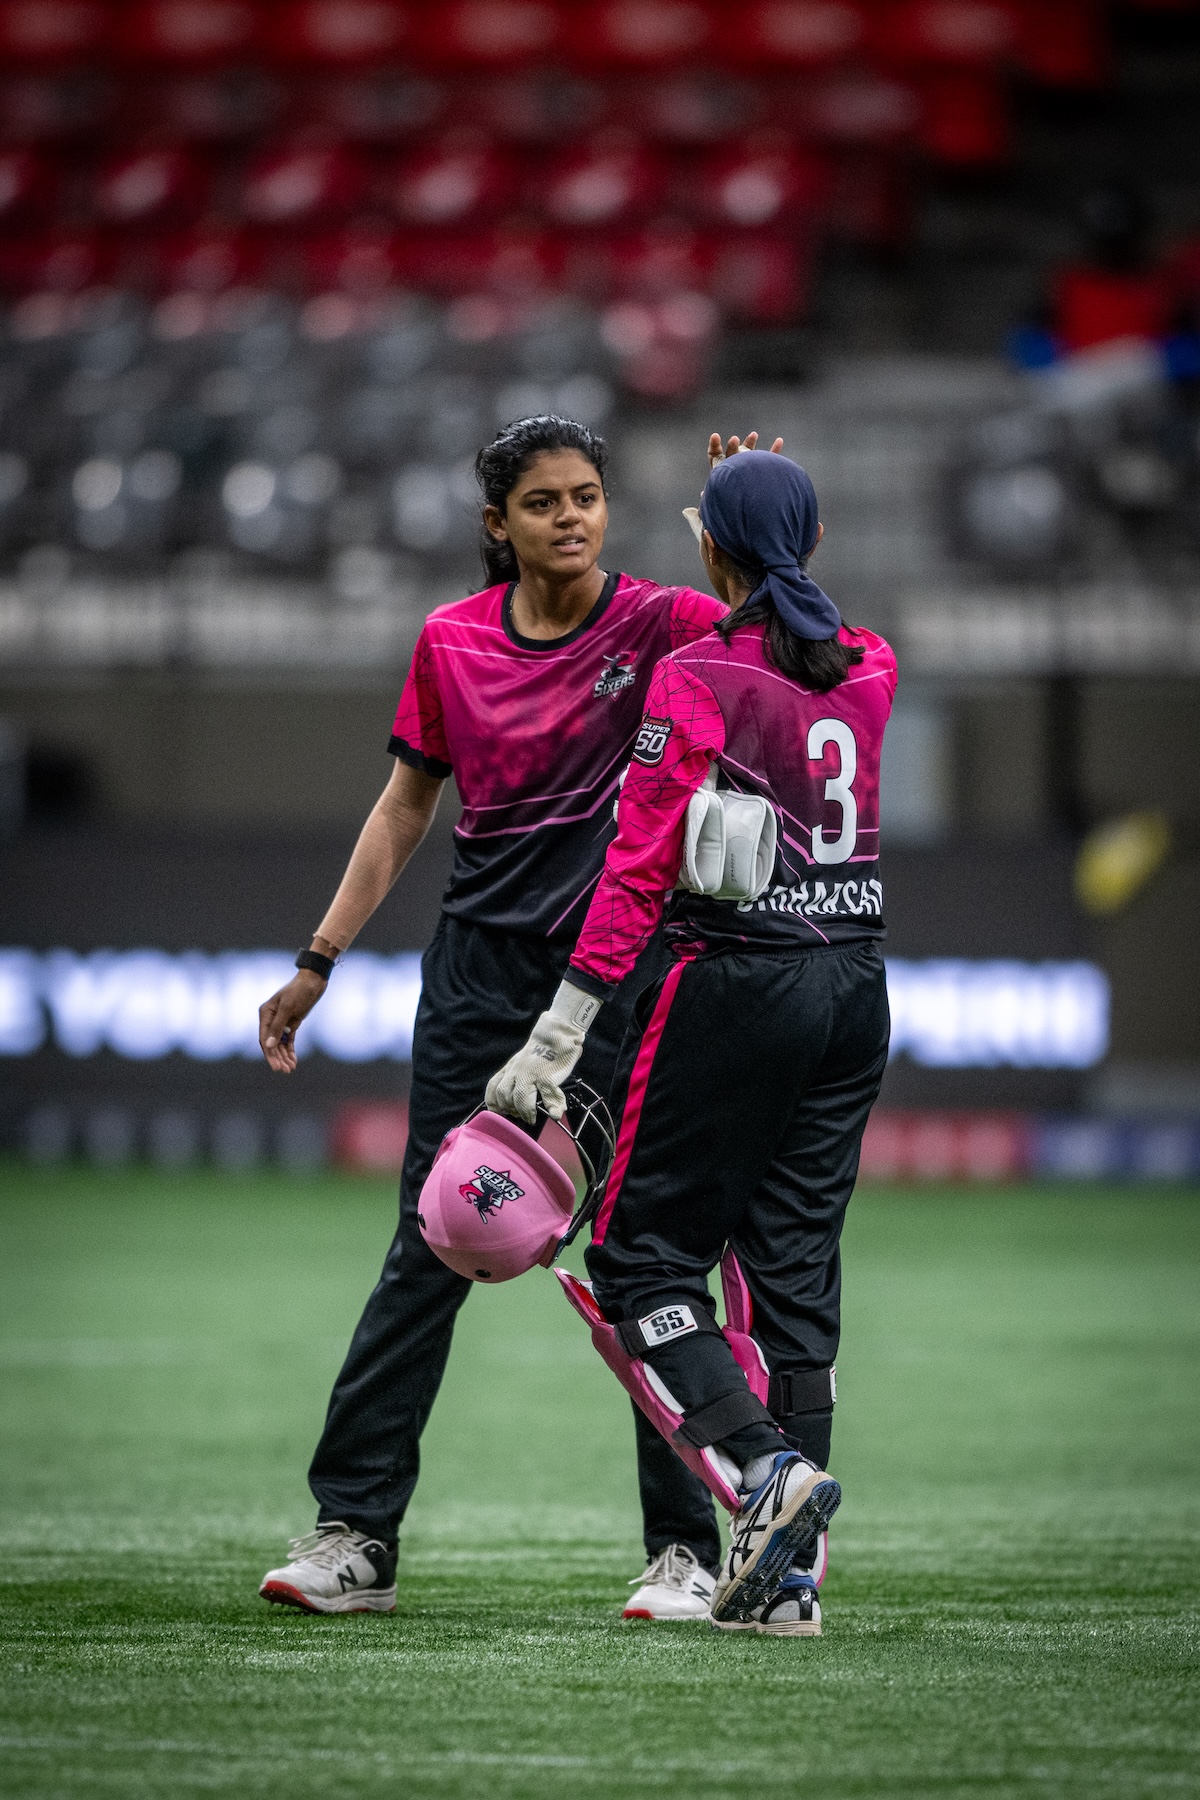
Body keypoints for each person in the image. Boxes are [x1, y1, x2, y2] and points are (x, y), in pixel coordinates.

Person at [254, 414, 773, 1621]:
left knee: (649, 1258)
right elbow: (404, 806)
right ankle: (356, 1536)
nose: (571, 517)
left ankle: (685, 1551)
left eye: (586, 495)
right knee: (427, 1247)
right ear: (499, 523)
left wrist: (739, 525)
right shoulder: (449, 641)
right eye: (544, 502)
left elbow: (777, 644)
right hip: (477, 981)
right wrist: (319, 959)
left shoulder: (662, 623)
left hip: (619, 979)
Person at [487, 448, 896, 1634]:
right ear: (813, 544)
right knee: (791, 1281)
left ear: (711, 548)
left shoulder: (694, 672)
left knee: (640, 1264)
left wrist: (561, 1028)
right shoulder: (873, 663)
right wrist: (748, 529)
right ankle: (788, 1586)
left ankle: (767, 1475)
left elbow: (638, 866)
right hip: (855, 988)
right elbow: (784, 621)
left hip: (733, 985)